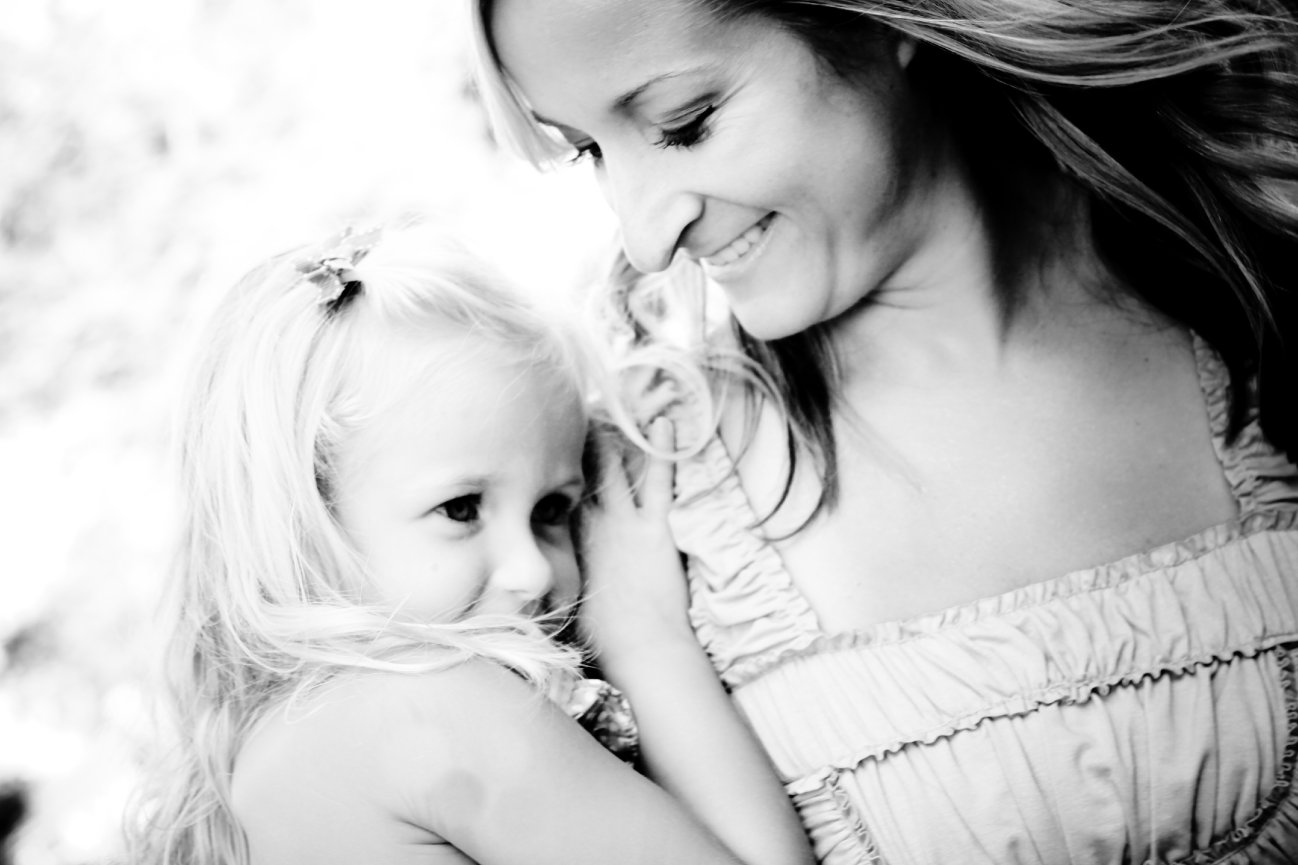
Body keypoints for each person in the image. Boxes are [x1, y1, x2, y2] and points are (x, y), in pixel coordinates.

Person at [467, 1, 1298, 862]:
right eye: (592, 151)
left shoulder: (1252, 293)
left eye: (687, 123)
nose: (645, 238)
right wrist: (640, 643)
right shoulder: (628, 495)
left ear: (877, 21)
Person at [125, 224, 814, 865]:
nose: (532, 569)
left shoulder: (272, 758)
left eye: (552, 510)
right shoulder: (430, 707)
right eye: (460, 509)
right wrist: (646, 634)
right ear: (306, 521)